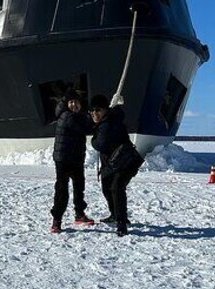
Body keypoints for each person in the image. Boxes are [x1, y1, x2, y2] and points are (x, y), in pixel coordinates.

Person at [90, 94, 145, 237]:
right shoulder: (108, 120)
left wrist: (93, 140)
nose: (94, 113)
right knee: (106, 187)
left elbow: (100, 144)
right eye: (92, 111)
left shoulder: (109, 123)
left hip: (124, 163)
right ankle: (115, 215)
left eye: (98, 110)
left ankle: (122, 222)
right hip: (112, 163)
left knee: (116, 188)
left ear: (105, 110)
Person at [50, 89, 95, 233]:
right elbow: (85, 127)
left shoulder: (75, 115)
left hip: (75, 158)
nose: (74, 105)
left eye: (76, 102)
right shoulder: (67, 116)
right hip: (64, 159)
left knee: (79, 186)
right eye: (71, 102)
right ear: (66, 104)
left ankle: (79, 214)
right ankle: (56, 221)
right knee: (62, 190)